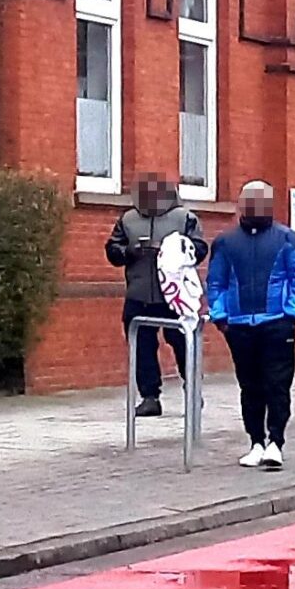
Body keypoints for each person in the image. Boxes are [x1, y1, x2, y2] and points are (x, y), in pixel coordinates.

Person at [205, 180, 295, 469]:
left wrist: (291, 314)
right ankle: (255, 441)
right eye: (248, 201)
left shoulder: (287, 239)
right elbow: (216, 281)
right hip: (239, 326)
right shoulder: (226, 242)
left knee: (277, 385)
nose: (253, 206)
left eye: (260, 200)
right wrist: (221, 317)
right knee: (249, 386)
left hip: (277, 323)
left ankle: (276, 441)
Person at [106, 173, 204, 417]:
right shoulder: (128, 219)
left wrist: (175, 250)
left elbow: (200, 248)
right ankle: (150, 396)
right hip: (139, 293)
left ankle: (193, 390)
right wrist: (130, 250)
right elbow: (112, 250)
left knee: (182, 344)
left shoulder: (184, 218)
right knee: (141, 346)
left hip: (174, 295)